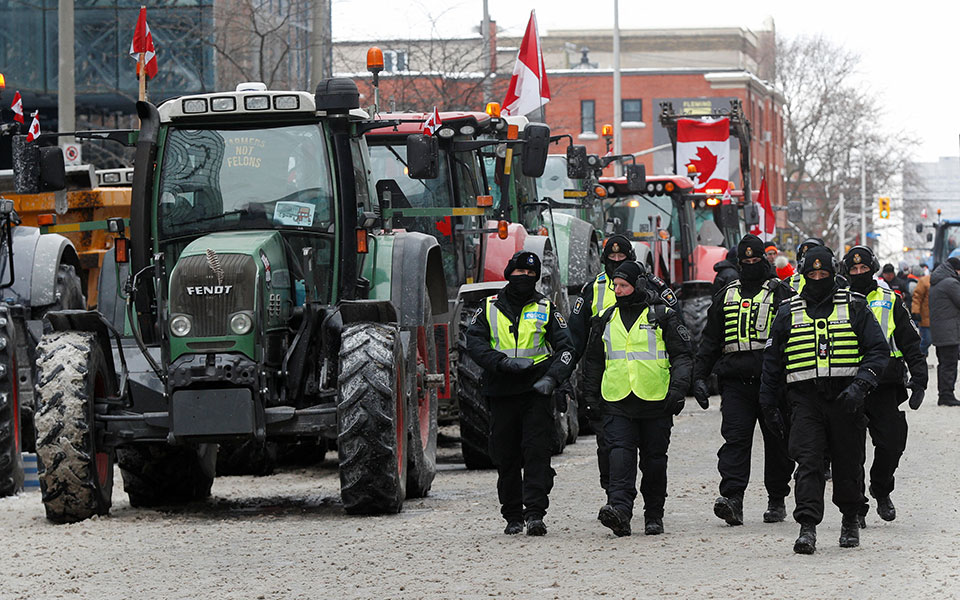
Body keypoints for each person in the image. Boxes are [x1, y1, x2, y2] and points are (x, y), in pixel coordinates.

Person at [759, 245, 889, 554]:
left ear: (833, 274)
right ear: (804, 275)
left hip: (847, 399)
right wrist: (768, 404)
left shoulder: (855, 306)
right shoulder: (788, 311)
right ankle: (807, 527)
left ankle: (850, 520)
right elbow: (772, 362)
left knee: (848, 463)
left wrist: (861, 385)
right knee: (808, 462)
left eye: (824, 273)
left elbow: (878, 351)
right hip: (804, 400)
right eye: (812, 274)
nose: (818, 278)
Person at [465, 251, 576, 535]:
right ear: (508, 274)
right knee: (506, 457)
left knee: (537, 453)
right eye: (519, 273)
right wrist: (501, 363)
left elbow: (566, 349)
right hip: (500, 391)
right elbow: (475, 344)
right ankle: (513, 516)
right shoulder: (487, 307)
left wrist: (552, 379)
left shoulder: (546, 308)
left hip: (536, 392)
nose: (524, 278)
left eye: (531, 275)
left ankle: (535, 514)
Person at [582, 260, 693, 537]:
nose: (618, 291)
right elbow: (594, 362)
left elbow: (682, 356)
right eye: (615, 286)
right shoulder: (605, 319)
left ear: (639, 285)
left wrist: (678, 390)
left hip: (655, 401)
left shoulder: (663, 316)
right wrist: (590, 398)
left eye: (624, 285)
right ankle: (619, 510)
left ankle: (654, 514)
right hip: (617, 401)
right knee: (619, 456)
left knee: (654, 462)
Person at [694, 235, 795, 526]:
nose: (751, 265)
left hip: (773, 383)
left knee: (778, 441)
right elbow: (710, 340)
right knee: (735, 440)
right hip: (736, 382)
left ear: (765, 260)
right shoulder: (726, 295)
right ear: (739, 264)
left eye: (756, 260)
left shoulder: (781, 294)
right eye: (745, 261)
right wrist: (699, 376)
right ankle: (732, 498)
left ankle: (777, 498)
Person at [569, 236, 677, 492]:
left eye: (622, 258)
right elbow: (576, 339)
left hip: (650, 385)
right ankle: (614, 498)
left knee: (652, 456)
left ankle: (651, 507)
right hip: (610, 385)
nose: (616, 263)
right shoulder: (592, 289)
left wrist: (680, 386)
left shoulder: (654, 286)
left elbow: (675, 334)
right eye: (612, 258)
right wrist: (564, 378)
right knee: (610, 449)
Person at [842, 246, 927, 525]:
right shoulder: (838, 302)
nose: (858, 273)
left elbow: (910, 342)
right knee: (851, 451)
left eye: (863, 268)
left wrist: (919, 379)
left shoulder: (891, 299)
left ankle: (881, 489)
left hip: (885, 384)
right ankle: (857, 507)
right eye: (853, 270)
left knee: (892, 443)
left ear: (873, 268)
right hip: (848, 384)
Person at [928, 256, 960, 406]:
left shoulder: (938, 282)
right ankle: (947, 395)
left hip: (941, 330)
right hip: (949, 331)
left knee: (944, 363)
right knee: (949, 364)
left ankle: (944, 394)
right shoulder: (950, 283)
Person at [911, 268, 932, 358]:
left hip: (936, 317)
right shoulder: (924, 281)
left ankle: (922, 356)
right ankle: (918, 356)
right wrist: (916, 311)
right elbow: (917, 297)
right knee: (926, 340)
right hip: (925, 317)